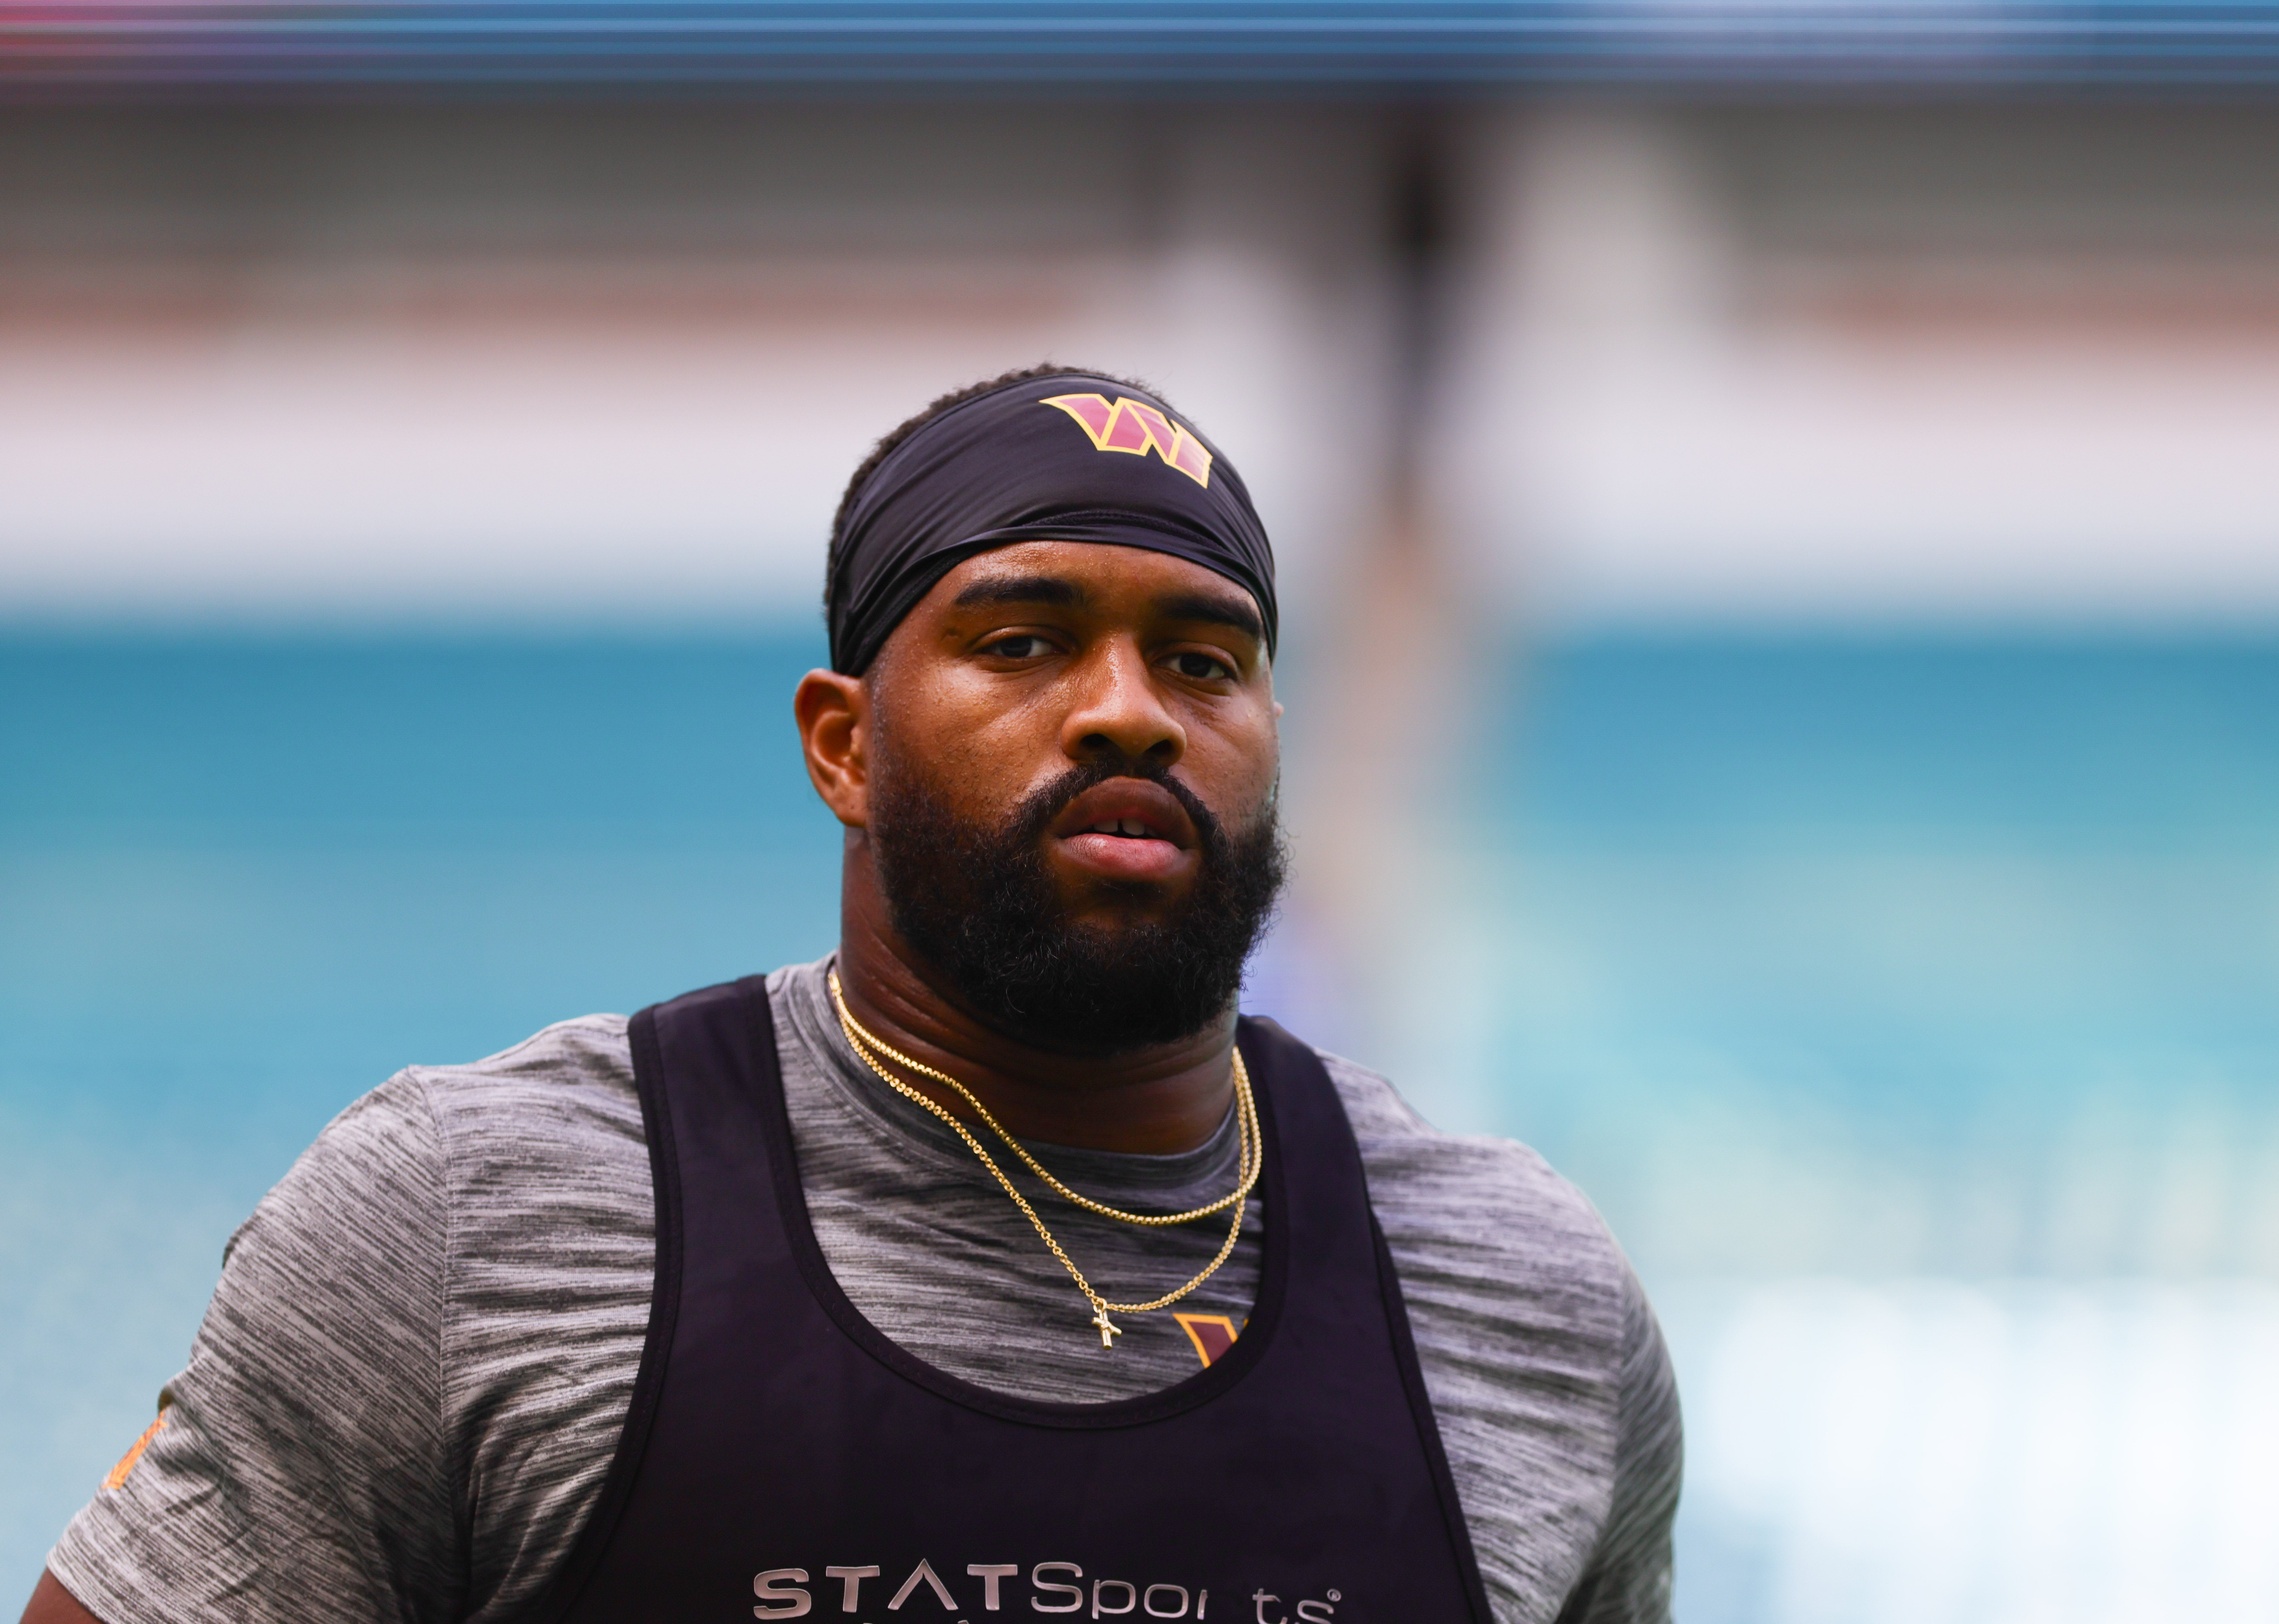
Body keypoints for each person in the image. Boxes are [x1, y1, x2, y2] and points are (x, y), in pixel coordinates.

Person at [22, 364, 1681, 1624]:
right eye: (1023, 640)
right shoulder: (477, 1216)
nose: (1130, 712)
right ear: (844, 743)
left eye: (1204, 658)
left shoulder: (1525, 1295)